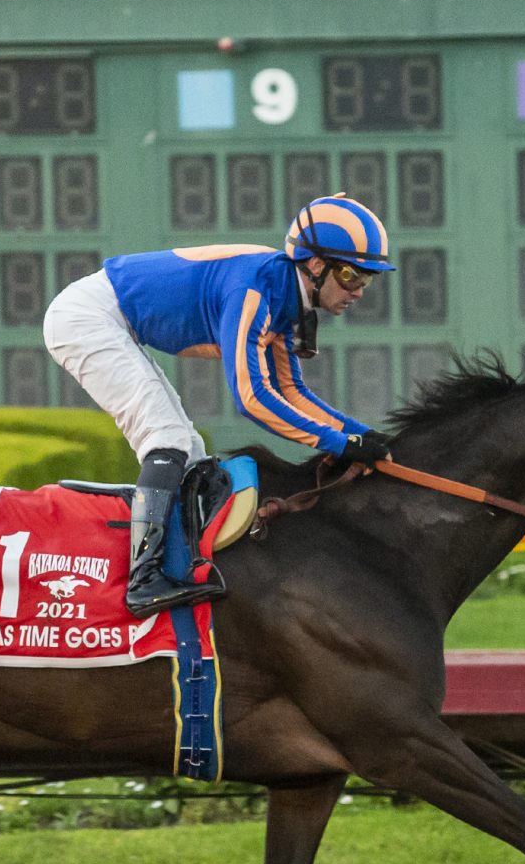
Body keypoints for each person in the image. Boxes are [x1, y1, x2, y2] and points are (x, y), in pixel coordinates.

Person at [43, 194, 398, 618]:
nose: (358, 290)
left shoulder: (288, 292)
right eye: (351, 274)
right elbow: (252, 399)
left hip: (113, 319)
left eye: (368, 279)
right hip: (87, 317)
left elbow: (291, 390)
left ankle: (177, 564)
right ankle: (142, 579)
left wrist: (359, 434)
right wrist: (338, 444)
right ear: (316, 266)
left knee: (189, 453)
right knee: (168, 439)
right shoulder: (255, 291)